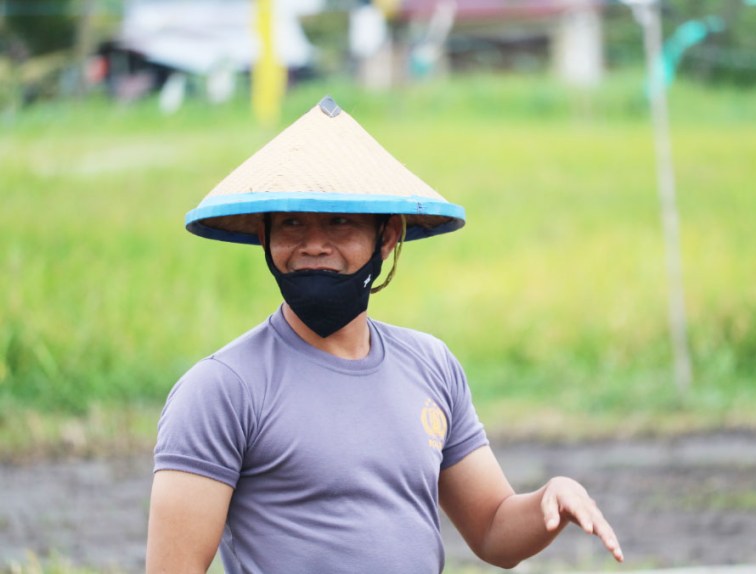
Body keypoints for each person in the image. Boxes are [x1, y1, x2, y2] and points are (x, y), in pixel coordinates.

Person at [146, 96, 624, 574]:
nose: (314, 245)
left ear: (387, 236)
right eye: (292, 223)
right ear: (265, 237)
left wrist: (551, 500)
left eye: (340, 221)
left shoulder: (430, 365)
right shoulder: (222, 388)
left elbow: (495, 531)